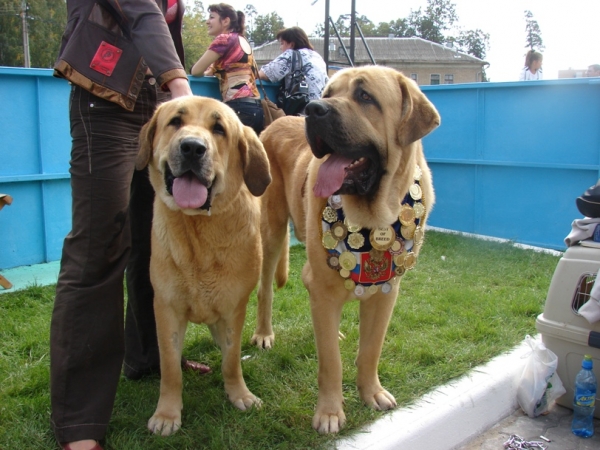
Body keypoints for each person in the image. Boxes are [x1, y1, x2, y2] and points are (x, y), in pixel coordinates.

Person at [50, 2, 208, 450]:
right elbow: (139, 11)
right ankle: (79, 421)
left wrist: (170, 95)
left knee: (153, 241)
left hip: (157, 105)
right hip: (105, 96)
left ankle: (149, 358)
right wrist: (180, 84)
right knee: (99, 246)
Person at [190, 3, 264, 136]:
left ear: (225, 21)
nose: (207, 21)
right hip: (256, 107)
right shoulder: (242, 40)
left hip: (238, 107)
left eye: (212, 17)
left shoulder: (224, 39)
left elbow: (196, 71)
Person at [258, 26, 329, 113]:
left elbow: (263, 74)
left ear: (291, 44)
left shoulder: (291, 54)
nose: (281, 47)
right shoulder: (318, 57)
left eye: (282, 43)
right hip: (319, 109)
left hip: (302, 110)